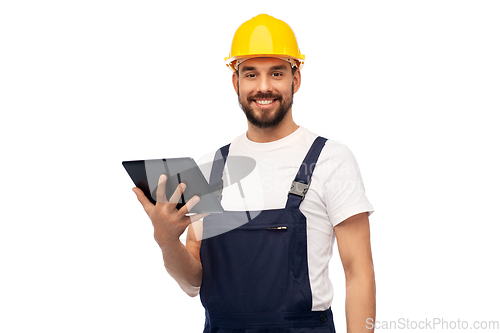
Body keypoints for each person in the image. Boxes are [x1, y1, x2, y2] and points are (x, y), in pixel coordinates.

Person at [132, 14, 375, 333]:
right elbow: (193, 283)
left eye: (276, 72)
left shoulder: (331, 158)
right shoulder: (208, 168)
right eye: (250, 74)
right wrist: (165, 239)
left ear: (295, 79)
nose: (263, 87)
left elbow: (359, 273)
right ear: (236, 82)